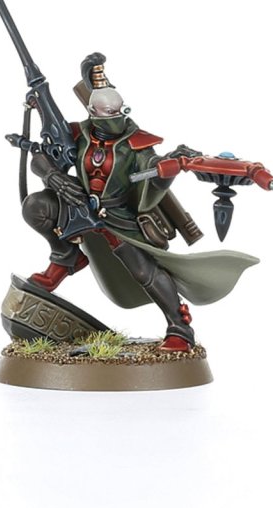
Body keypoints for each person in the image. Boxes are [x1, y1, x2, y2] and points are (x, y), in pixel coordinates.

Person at [21, 53, 258, 352]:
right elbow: (41, 156)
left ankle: (179, 328)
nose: (116, 118)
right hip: (77, 205)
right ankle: (65, 257)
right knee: (36, 207)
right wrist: (53, 176)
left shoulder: (137, 145)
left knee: (145, 271)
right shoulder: (79, 134)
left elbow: (152, 172)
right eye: (108, 113)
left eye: (119, 111)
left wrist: (167, 168)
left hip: (118, 216)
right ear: (93, 113)